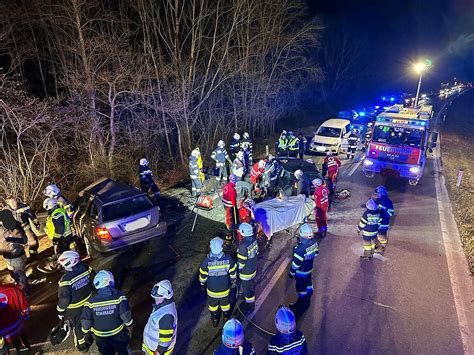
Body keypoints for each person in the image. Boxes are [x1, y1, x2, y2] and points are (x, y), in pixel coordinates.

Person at [81, 270, 133, 355]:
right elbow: (125, 315)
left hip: (100, 335)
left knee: (105, 351)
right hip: (117, 332)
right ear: (110, 282)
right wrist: (129, 324)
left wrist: (85, 332)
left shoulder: (90, 302)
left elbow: (86, 321)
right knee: (122, 349)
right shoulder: (119, 297)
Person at [56, 251, 94, 352]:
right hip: (89, 301)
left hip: (75, 308)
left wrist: (60, 310)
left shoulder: (65, 280)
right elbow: (93, 281)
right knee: (90, 318)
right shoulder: (86, 268)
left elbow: (64, 299)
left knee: (77, 326)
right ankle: (92, 333)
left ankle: (82, 346)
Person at [199, 237, 237, 327]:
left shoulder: (206, 261)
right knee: (225, 304)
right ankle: (226, 318)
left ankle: (215, 319)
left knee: (212, 306)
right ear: (221, 248)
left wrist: (202, 284)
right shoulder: (228, 259)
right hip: (225, 289)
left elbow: (203, 276)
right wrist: (233, 281)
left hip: (212, 291)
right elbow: (233, 273)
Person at [288, 224, 319, 313]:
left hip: (301, 272)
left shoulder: (300, 249)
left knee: (301, 289)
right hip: (309, 269)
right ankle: (308, 298)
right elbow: (316, 254)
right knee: (308, 283)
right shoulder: (314, 242)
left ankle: (300, 306)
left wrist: (291, 272)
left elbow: (296, 264)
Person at [39, 198, 74, 273]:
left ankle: (68, 270)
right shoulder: (58, 211)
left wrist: (55, 239)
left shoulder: (56, 214)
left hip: (62, 238)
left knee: (63, 255)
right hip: (65, 236)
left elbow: (60, 228)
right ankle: (67, 268)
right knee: (64, 253)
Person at [142, 280, 178, 355]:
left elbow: (165, 340)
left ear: (166, 296)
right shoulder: (163, 305)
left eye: (158, 299)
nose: (156, 301)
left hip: (156, 351)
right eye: (155, 298)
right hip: (152, 348)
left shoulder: (166, 316)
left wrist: (159, 352)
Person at [0, 282, 30, 353]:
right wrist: (26, 316)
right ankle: (25, 350)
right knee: (22, 344)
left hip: (2, 332)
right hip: (17, 326)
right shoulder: (13, 289)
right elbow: (25, 306)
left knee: (4, 350)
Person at [237, 223, 258, 314]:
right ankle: (246, 296)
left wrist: (237, 270)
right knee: (250, 284)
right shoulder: (253, 240)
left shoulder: (243, 245)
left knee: (247, 288)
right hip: (252, 267)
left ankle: (250, 304)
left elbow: (241, 262)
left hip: (246, 272)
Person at [374, 186, 394, 255]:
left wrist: (383, 209)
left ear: (381, 193)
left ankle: (382, 248)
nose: (377, 194)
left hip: (383, 223)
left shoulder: (387, 202)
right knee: (376, 236)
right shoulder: (378, 200)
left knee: (382, 237)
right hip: (378, 223)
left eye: (378, 193)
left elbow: (390, 213)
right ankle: (378, 247)